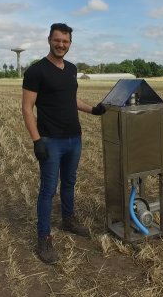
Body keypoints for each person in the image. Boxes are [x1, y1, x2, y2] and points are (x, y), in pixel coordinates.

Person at [22, 23, 106, 264]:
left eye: (66, 41)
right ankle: (44, 238)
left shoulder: (71, 69)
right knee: (48, 190)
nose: (61, 45)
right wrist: (37, 140)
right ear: (49, 39)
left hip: (74, 138)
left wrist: (92, 110)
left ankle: (68, 219)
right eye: (57, 40)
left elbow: (71, 99)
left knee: (69, 182)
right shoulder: (36, 71)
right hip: (50, 140)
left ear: (70, 43)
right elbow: (27, 108)